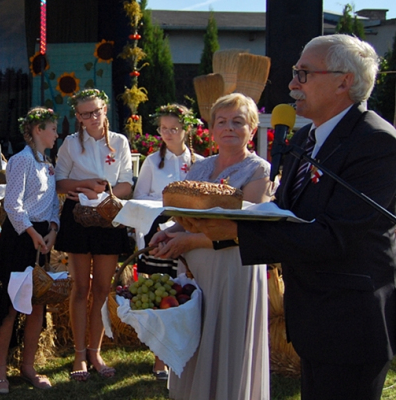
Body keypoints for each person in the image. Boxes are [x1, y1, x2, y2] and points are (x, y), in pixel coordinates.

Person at [192, 34, 396, 400]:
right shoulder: (304, 141)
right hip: (312, 317)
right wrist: (216, 224)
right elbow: (285, 215)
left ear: (344, 82)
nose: (291, 84)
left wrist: (236, 232)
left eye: (304, 73)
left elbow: (337, 235)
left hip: (351, 323)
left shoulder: (377, 142)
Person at [150, 93, 272, 400]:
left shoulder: (259, 170)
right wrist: (169, 233)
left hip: (234, 267)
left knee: (227, 338)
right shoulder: (199, 168)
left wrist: (188, 241)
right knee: (196, 335)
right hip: (196, 269)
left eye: (238, 122)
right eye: (222, 121)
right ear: (212, 129)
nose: (229, 127)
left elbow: (249, 230)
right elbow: (186, 217)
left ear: (252, 129)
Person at [54, 88, 133, 381]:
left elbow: (126, 184)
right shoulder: (70, 144)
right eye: (86, 114)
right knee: (80, 288)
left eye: (96, 111)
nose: (92, 118)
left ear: (105, 110)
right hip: (77, 218)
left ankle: (95, 352)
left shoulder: (120, 142)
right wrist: (86, 184)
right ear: (78, 117)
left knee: (101, 288)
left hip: (109, 217)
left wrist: (104, 195)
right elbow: (59, 182)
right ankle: (78, 355)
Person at [0, 107, 60, 394]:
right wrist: (32, 233)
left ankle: (28, 367)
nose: (56, 134)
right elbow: (12, 205)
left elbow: (54, 203)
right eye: (53, 129)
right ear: (39, 130)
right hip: (20, 238)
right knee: (11, 303)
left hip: (41, 237)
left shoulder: (48, 163)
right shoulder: (21, 160)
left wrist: (53, 230)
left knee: (37, 302)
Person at [132, 103, 203, 380]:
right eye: (163, 128)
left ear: (186, 129)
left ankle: (185, 354)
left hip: (189, 231)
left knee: (185, 292)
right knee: (162, 295)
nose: (168, 133)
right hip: (159, 231)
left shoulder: (199, 163)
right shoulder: (152, 161)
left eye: (174, 128)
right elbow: (139, 197)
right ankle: (160, 359)